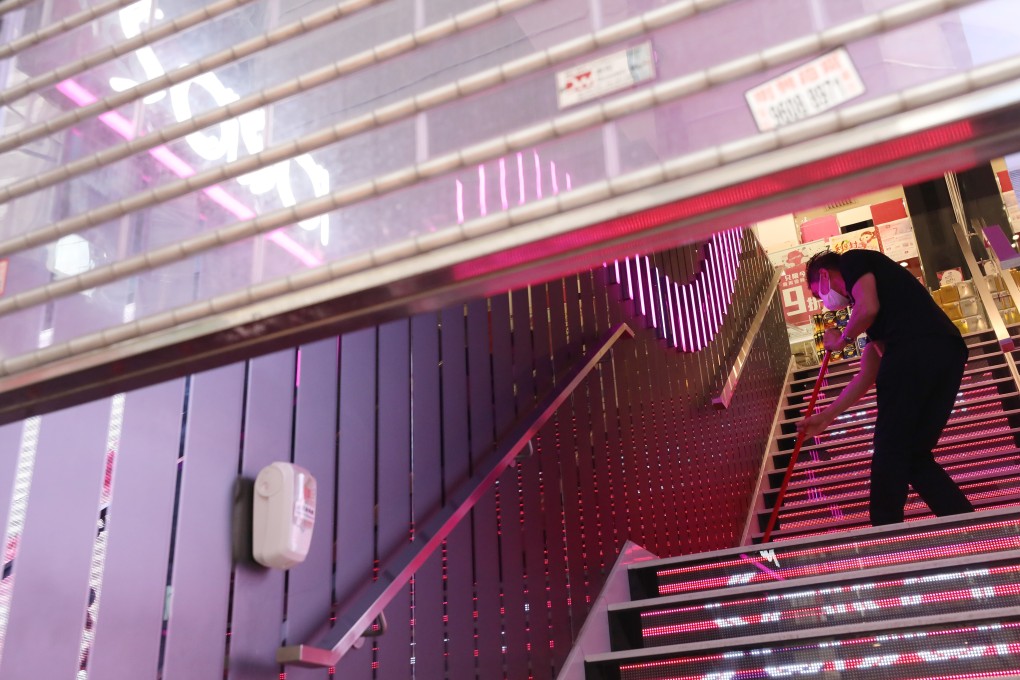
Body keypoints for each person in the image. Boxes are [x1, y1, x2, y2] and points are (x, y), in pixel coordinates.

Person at [798, 248, 974, 526]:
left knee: (889, 449)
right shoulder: (886, 310)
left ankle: (884, 533)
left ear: (823, 275)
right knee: (914, 455)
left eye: (817, 293)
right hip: (948, 354)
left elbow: (867, 308)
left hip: (915, 351)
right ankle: (968, 524)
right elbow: (867, 375)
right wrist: (827, 416)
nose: (824, 301)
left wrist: (841, 340)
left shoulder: (852, 261)